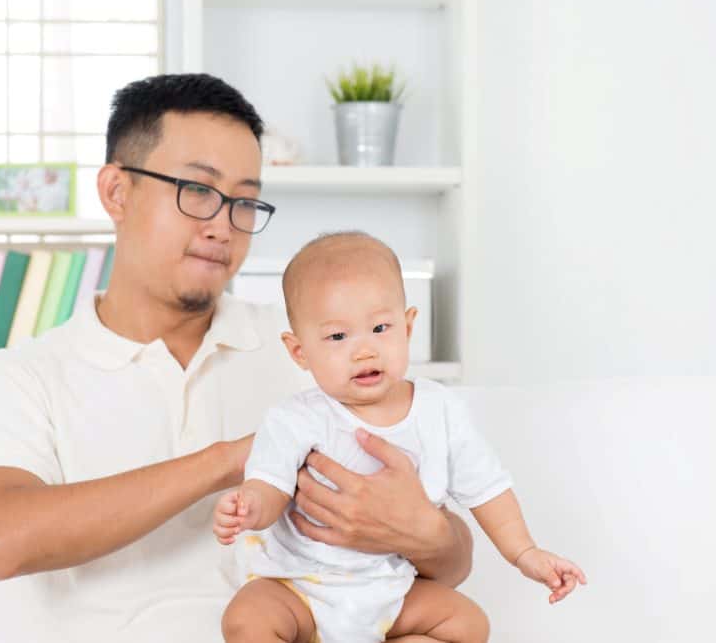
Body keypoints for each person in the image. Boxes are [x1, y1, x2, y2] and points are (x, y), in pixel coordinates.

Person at [0, 73, 476, 642]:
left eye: (244, 201)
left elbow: (453, 563)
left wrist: (425, 529)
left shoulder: (319, 349)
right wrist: (235, 460)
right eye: (197, 190)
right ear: (116, 192)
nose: (223, 225)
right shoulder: (22, 376)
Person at [213, 232, 587, 643]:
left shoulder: (439, 410)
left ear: (407, 327)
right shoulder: (295, 418)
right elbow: (270, 483)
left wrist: (524, 553)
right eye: (338, 337)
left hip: (387, 589)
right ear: (299, 351)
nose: (364, 351)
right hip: (298, 587)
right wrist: (249, 507)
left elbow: (488, 489)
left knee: (469, 624)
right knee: (248, 617)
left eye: (380, 327)